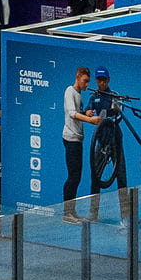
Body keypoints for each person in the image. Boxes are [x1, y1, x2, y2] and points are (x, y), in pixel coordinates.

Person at [62, 66, 95, 201]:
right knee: (73, 177)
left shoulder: (79, 95)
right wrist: (90, 120)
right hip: (71, 139)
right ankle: (67, 210)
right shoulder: (69, 91)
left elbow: (78, 112)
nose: (86, 85)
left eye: (88, 82)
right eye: (85, 81)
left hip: (77, 139)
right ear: (77, 77)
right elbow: (72, 113)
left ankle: (70, 209)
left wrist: (85, 113)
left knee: (76, 177)